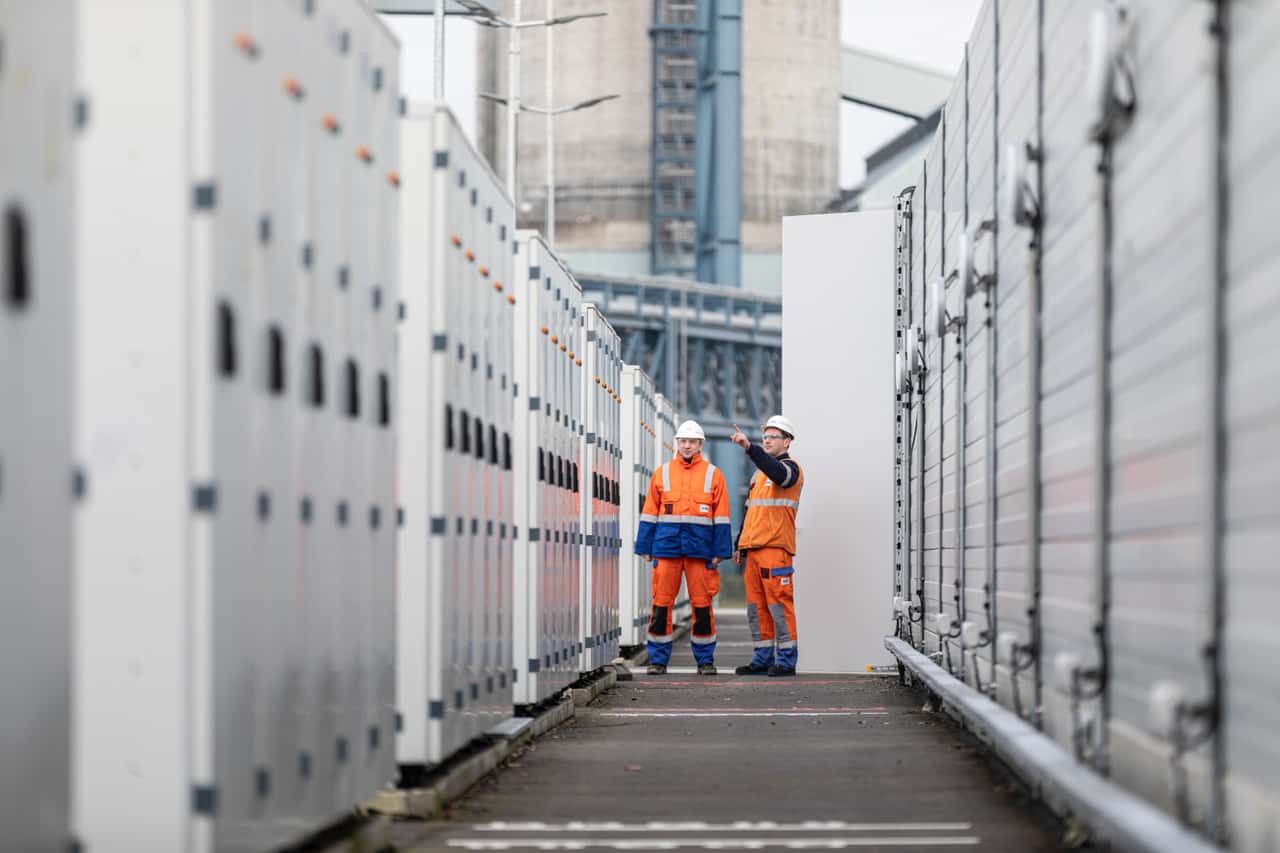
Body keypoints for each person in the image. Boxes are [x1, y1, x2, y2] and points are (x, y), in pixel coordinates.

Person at [634, 419, 733, 675]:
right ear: (677, 443)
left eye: (692, 442)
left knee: (702, 606)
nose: (687, 446)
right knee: (661, 605)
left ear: (700, 444)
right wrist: (644, 545)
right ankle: (657, 660)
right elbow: (649, 512)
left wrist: (720, 552)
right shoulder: (662, 473)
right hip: (666, 548)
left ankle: (705, 660)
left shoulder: (713, 474)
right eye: (683, 441)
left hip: (700, 551)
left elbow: (721, 516)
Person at [730, 415, 803, 677]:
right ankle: (762, 658)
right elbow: (751, 512)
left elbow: (779, 474)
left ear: (786, 441)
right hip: (754, 549)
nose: (768, 440)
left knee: (779, 606)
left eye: (773, 437)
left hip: (775, 549)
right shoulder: (758, 476)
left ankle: (786, 660)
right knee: (757, 608)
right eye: (765, 437)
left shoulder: (790, 469)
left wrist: (751, 448)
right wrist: (740, 543)